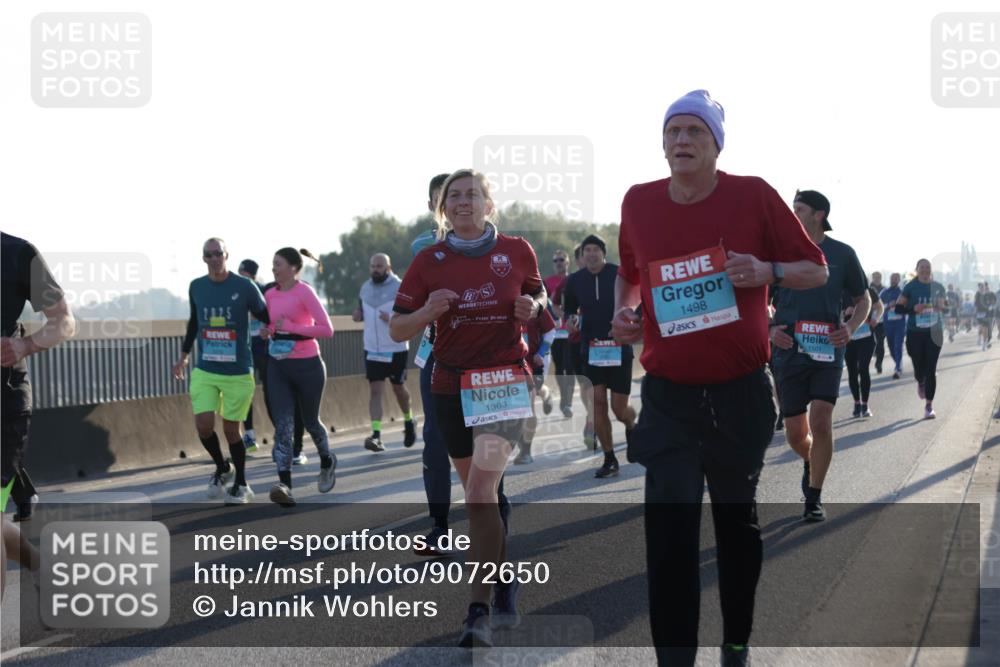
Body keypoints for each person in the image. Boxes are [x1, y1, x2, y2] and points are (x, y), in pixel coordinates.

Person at [612, 90, 828, 666]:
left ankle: (736, 641)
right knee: (670, 534)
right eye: (673, 132)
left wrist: (768, 270)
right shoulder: (638, 202)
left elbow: (815, 268)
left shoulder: (754, 195)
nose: (682, 141)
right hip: (668, 398)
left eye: (694, 133)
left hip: (739, 394)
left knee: (736, 528)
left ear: (715, 144)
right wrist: (627, 314)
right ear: (662, 144)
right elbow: (630, 277)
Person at [390, 169, 545, 648]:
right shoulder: (428, 259)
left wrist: (533, 307)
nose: (464, 202)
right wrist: (425, 313)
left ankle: (476, 612)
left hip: (503, 380)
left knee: (480, 491)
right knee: (482, 496)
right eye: (454, 196)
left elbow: (539, 294)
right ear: (443, 207)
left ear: (489, 204)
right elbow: (398, 328)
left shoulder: (517, 250)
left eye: (473, 194)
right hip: (449, 385)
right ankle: (504, 578)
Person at [771, 190, 870, 523]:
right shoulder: (780, 252)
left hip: (828, 350)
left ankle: (814, 496)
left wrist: (851, 328)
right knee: (796, 435)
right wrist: (771, 330)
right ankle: (810, 461)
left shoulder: (842, 253)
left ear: (819, 214)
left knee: (822, 421)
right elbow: (758, 301)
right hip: (787, 352)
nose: (792, 213)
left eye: (798, 209)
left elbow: (864, 299)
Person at [1, 231, 75, 597]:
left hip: (4, 401)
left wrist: (25, 345)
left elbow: (64, 320)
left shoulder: (16, 253)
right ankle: (40, 565)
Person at [172, 238, 269, 504]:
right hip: (206, 369)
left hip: (238, 370)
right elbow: (194, 322)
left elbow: (266, 314)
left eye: (218, 254)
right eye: (209, 255)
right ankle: (222, 466)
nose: (214, 259)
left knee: (230, 429)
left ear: (227, 255)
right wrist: (183, 356)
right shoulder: (197, 287)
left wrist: (271, 329)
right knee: (203, 425)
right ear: (203, 258)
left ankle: (241, 484)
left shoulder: (245, 286)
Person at [260, 248, 337, 506]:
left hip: (308, 366)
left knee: (310, 420)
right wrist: (268, 330)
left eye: (278, 264)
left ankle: (326, 459)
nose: (273, 268)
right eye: (272, 264)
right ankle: (285, 484)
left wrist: (291, 327)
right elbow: (274, 324)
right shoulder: (269, 294)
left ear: (293, 267)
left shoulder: (304, 292)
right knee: (283, 425)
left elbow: (327, 330)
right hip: (279, 367)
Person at [563, 233, 637, 479]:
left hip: (618, 346)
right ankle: (609, 458)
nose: (591, 254)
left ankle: (630, 424)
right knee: (598, 403)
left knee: (619, 408)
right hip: (591, 349)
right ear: (582, 256)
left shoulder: (619, 274)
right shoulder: (574, 280)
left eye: (596, 249)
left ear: (603, 253)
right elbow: (570, 311)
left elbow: (635, 302)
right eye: (587, 251)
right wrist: (571, 321)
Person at [353, 253, 416, 452]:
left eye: (379, 266)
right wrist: (358, 315)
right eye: (373, 266)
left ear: (388, 267)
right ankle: (376, 435)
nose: (375, 269)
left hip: (395, 346)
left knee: (398, 388)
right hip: (372, 347)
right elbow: (359, 311)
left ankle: (408, 420)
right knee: (375, 390)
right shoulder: (365, 288)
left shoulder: (400, 287)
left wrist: (391, 318)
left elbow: (411, 315)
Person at [895, 259, 947, 419]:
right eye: (922, 267)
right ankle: (920, 380)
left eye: (928, 267)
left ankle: (929, 406)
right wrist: (913, 309)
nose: (925, 270)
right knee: (918, 364)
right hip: (915, 333)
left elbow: (946, 308)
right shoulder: (910, 287)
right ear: (917, 270)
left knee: (931, 369)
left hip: (934, 332)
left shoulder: (939, 287)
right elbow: (898, 308)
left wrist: (941, 306)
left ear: (931, 270)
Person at [513, 308, 557, 464]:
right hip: (508, 363)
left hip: (532, 362)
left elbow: (551, 331)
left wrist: (542, 352)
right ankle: (546, 393)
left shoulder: (535, 303)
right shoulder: (499, 299)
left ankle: (526, 450)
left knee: (528, 404)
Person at [544, 249, 575, 418]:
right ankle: (564, 396)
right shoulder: (547, 282)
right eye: (555, 260)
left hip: (571, 331)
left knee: (570, 369)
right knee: (560, 368)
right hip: (555, 333)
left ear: (567, 262)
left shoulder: (575, 280)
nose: (558, 263)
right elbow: (542, 305)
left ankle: (566, 403)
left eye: (561, 260)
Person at [845, 285, 883, 418]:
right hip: (848, 339)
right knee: (852, 371)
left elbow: (879, 307)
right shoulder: (840, 291)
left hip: (866, 337)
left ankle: (865, 404)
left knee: (863, 368)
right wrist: (844, 313)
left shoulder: (867, 290)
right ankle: (857, 403)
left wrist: (875, 318)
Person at [881, 273, 906, 379]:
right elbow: (878, 306)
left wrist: (898, 304)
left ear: (899, 280)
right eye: (892, 278)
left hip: (900, 323)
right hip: (888, 324)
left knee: (898, 345)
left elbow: (908, 305)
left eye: (896, 279)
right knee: (891, 347)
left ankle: (898, 368)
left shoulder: (902, 292)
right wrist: (888, 305)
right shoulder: (884, 292)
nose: (893, 280)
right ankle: (898, 363)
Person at [870, 272, 887, 372]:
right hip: (868, 321)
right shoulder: (868, 288)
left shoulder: (884, 290)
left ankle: (879, 363)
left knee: (880, 343)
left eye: (879, 277)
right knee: (871, 343)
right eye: (875, 277)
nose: (877, 278)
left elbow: (884, 304)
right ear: (872, 278)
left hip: (880, 321)